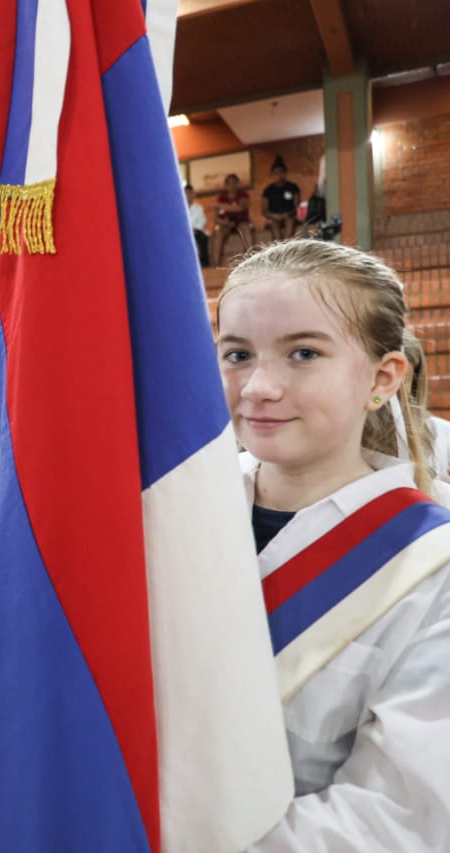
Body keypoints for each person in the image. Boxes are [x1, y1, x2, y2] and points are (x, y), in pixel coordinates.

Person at [215, 240, 450, 850]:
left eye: (303, 353)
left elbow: (403, 815)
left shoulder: (432, 563)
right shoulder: (173, 518)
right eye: (237, 353)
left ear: (382, 377)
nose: (260, 385)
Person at [213, 173, 254, 264]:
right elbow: (216, 218)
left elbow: (241, 207)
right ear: (226, 185)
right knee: (218, 233)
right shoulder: (221, 198)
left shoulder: (243, 195)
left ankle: (251, 259)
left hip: (241, 222)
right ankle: (216, 264)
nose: (232, 185)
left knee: (246, 229)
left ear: (238, 184)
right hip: (226, 223)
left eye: (234, 182)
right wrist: (224, 222)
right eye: (229, 183)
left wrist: (221, 206)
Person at [261, 156, 302, 242]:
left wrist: (287, 214)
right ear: (272, 174)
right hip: (274, 218)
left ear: (285, 173)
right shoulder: (268, 190)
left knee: (290, 223)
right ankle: (279, 247)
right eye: (276, 173)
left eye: (281, 172)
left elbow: (297, 206)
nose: (279, 175)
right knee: (274, 227)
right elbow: (264, 211)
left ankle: (287, 245)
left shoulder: (293, 187)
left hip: (289, 216)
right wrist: (274, 216)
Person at [185, 183, 210, 267]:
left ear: (193, 194)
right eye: (186, 193)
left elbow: (202, 222)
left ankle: (204, 265)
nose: (188, 196)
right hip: (184, 233)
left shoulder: (199, 208)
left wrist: (193, 229)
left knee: (202, 238)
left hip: (196, 232)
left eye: (190, 193)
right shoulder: (178, 210)